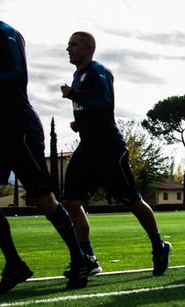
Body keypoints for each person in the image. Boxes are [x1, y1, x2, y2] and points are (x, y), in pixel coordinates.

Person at [0, 0, 93, 294]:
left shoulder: (7, 35)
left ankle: (80, 258)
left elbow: (18, 78)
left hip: (20, 129)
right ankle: (15, 265)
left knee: (44, 201)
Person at [60, 32, 172, 276]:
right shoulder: (78, 75)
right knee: (70, 201)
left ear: (88, 48)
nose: (68, 49)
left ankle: (159, 245)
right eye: (68, 45)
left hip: (109, 148)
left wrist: (74, 95)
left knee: (132, 200)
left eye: (73, 45)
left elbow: (105, 102)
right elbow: (92, 108)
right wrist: (80, 123)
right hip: (88, 146)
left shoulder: (98, 71)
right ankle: (88, 257)